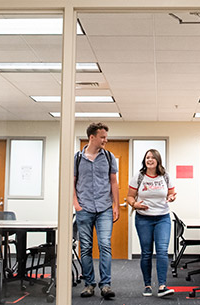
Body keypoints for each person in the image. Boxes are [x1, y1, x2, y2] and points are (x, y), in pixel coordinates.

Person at [74, 122, 120, 299]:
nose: (105, 140)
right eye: (102, 137)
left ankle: (106, 285)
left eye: (106, 137)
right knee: (85, 248)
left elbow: (113, 182)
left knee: (105, 245)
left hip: (104, 208)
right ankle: (89, 284)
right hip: (84, 208)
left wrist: (116, 205)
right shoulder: (77, 158)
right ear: (92, 137)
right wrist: (76, 205)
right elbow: (72, 182)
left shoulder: (109, 157)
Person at [127, 149, 177, 298]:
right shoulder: (139, 176)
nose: (150, 160)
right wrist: (135, 204)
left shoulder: (165, 176)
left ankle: (162, 286)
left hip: (162, 218)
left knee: (162, 250)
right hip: (143, 218)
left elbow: (171, 193)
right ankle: (147, 285)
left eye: (152, 157)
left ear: (157, 160)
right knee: (147, 252)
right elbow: (129, 197)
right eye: (147, 157)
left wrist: (172, 198)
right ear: (145, 160)